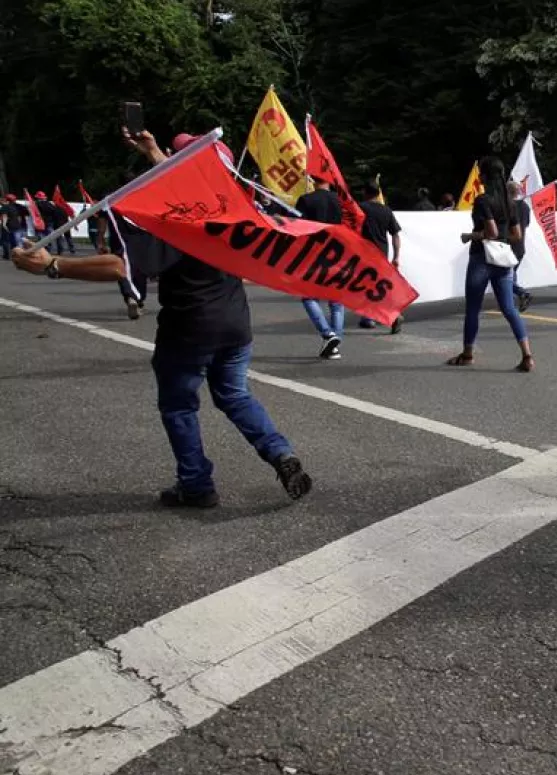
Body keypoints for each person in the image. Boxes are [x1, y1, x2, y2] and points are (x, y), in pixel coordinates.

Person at [8, 127, 313, 508]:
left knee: (179, 406)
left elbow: (121, 266)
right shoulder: (230, 203)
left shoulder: (174, 216)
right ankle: (280, 453)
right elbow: (185, 176)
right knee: (235, 395)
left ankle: (196, 485)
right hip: (236, 324)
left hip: (188, 329)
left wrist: (53, 264)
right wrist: (152, 153)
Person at [448, 155, 534, 372]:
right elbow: (516, 235)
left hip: (481, 259)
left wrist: (470, 236)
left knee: (473, 309)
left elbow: (491, 231)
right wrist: (501, 239)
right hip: (503, 259)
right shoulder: (511, 203)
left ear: (484, 176)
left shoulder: (483, 200)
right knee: (509, 309)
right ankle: (527, 355)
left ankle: (467, 354)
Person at [295, 173, 346, 359]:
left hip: (312, 254)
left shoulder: (306, 200)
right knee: (336, 302)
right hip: (338, 254)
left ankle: (327, 333)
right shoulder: (341, 201)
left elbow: (297, 227)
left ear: (313, 180)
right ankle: (335, 344)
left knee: (309, 297)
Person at [356, 181, 404, 334]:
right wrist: (396, 256)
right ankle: (393, 315)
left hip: (364, 252)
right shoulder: (386, 210)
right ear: (378, 194)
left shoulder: (360, 208)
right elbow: (395, 234)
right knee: (380, 286)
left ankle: (369, 318)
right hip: (382, 253)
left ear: (365, 192)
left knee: (366, 285)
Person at [507, 179, 533, 312]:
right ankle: (511, 300)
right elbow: (527, 224)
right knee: (511, 273)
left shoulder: (507, 206)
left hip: (508, 245)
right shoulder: (525, 206)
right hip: (520, 246)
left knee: (504, 276)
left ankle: (521, 293)